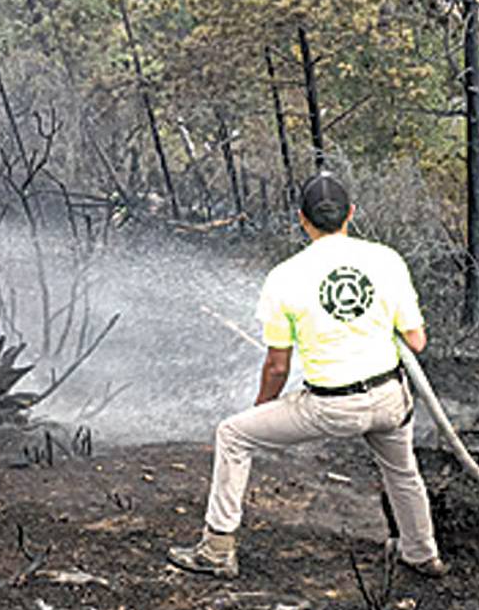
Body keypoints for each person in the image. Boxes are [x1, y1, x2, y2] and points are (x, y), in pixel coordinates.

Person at [167, 173, 446, 580]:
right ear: (351, 214)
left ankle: (217, 549)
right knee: (402, 471)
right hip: (390, 398)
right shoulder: (387, 260)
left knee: (233, 434)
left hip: (330, 407)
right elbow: (416, 342)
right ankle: (422, 553)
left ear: (303, 219)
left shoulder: (284, 277)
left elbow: (278, 366)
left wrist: (263, 408)